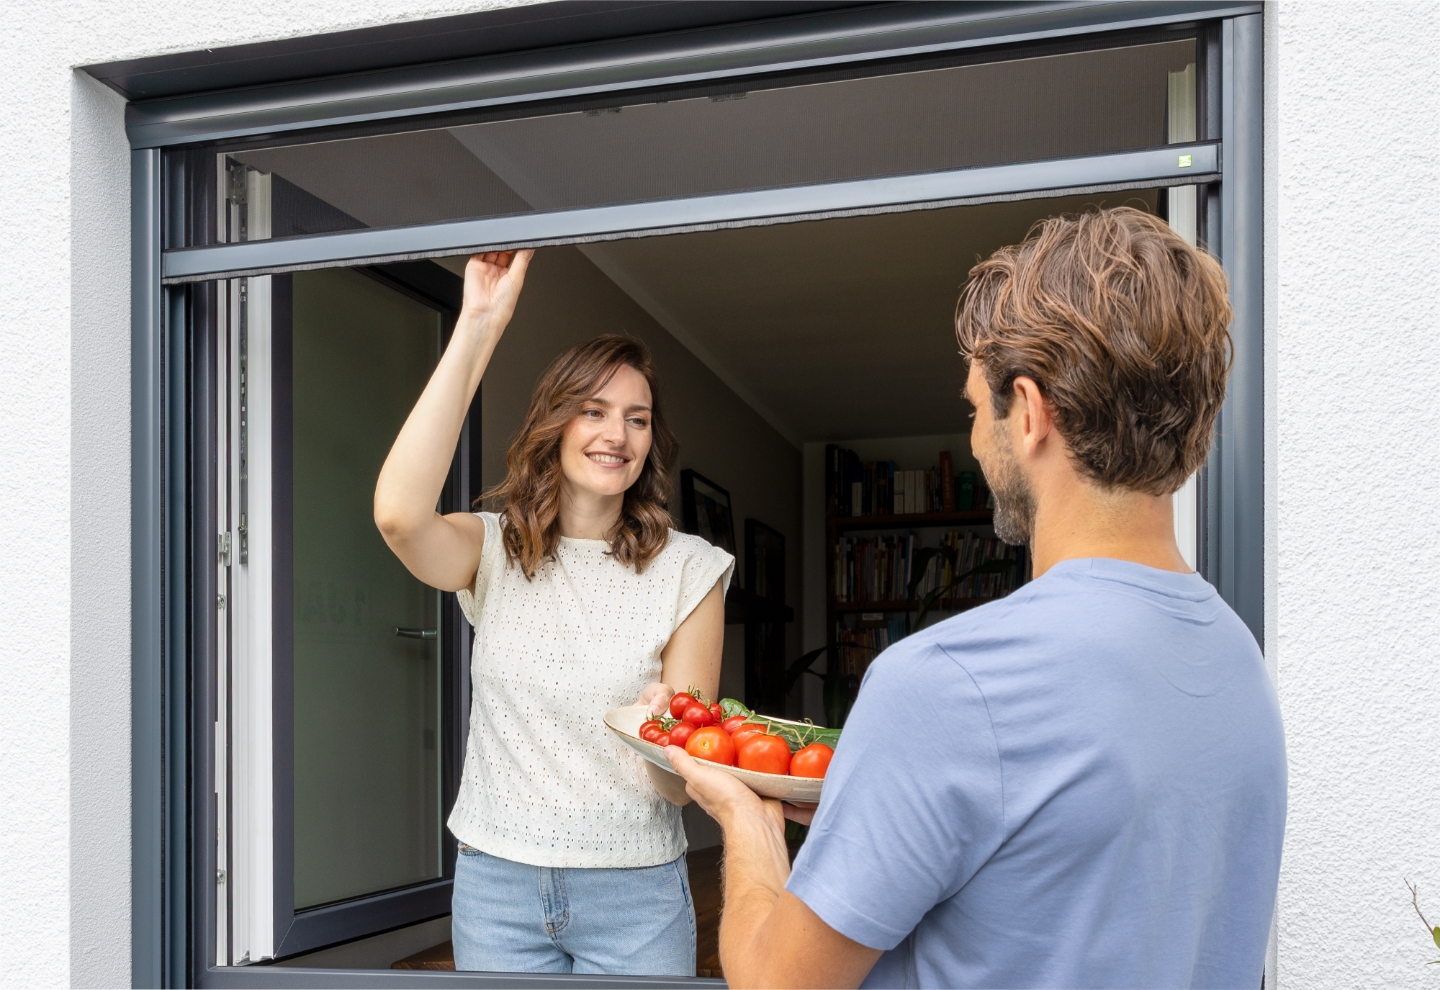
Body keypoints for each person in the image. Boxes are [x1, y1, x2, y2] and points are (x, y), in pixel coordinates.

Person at [667, 208, 1287, 989]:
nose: (972, 436)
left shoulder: (949, 683)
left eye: (973, 409)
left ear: (1028, 412)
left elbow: (775, 982)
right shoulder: (1237, 660)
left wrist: (748, 822)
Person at [374, 250, 732, 976]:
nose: (617, 435)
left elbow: (678, 788)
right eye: (593, 411)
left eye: (637, 419)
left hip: (634, 892)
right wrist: (478, 324)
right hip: (497, 886)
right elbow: (399, 518)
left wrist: (663, 738)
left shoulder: (690, 569)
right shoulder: (495, 549)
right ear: (555, 423)